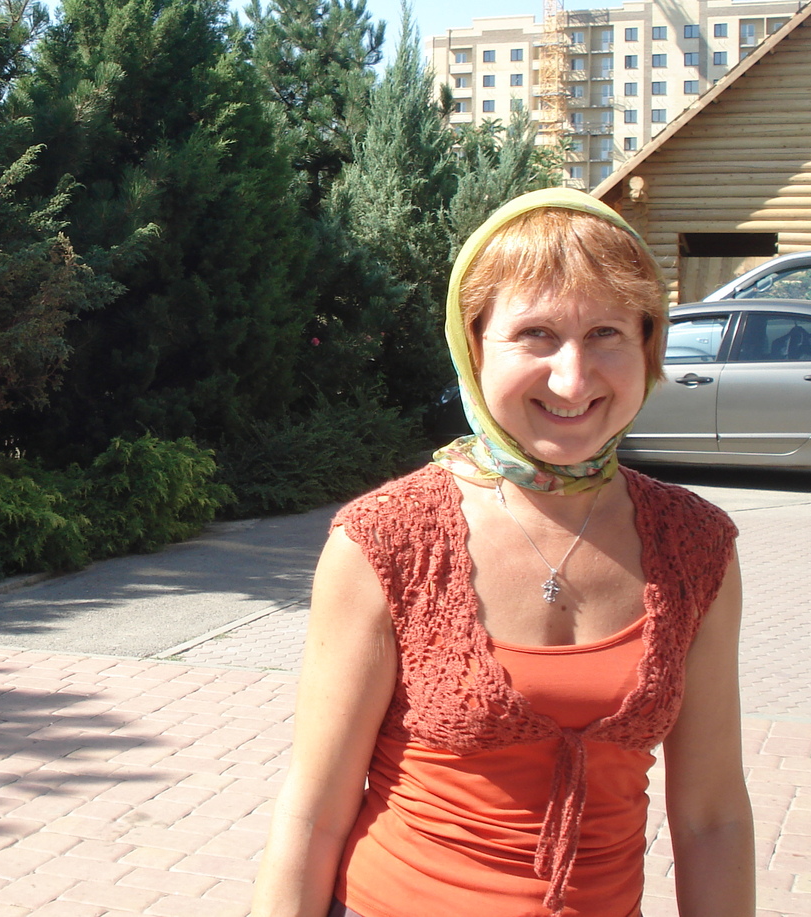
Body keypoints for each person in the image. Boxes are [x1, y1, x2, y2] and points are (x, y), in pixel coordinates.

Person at [252, 188, 753, 917]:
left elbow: (713, 817)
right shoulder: (387, 541)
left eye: (607, 332)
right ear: (474, 343)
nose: (572, 378)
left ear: (649, 345)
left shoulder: (697, 548)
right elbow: (314, 810)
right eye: (536, 334)